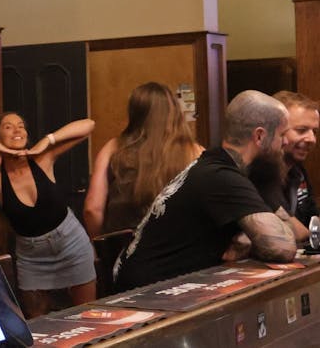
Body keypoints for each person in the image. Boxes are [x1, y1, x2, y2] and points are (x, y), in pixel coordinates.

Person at [114, 90, 298, 292]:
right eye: (282, 134)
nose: (286, 142)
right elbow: (281, 247)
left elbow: (285, 232)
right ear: (260, 136)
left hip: (162, 284)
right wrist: (255, 240)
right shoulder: (220, 176)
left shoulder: (224, 167)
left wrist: (249, 240)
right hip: (146, 293)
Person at [0, 113, 97, 317]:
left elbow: (88, 125)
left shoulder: (43, 158)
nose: (17, 130)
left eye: (21, 126)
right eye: (8, 127)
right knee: (38, 323)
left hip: (71, 243)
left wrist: (47, 140)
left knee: (87, 316)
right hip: (32, 258)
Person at [83, 82, 204, 237]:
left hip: (124, 246)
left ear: (135, 114)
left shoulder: (113, 148)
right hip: (177, 244)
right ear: (174, 112)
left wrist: (103, 243)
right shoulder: (195, 152)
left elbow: (92, 210)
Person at [272, 91, 319, 227]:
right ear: (274, 130)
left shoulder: (298, 171)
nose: (312, 139)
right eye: (301, 130)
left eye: (314, 132)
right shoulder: (256, 176)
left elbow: (312, 218)